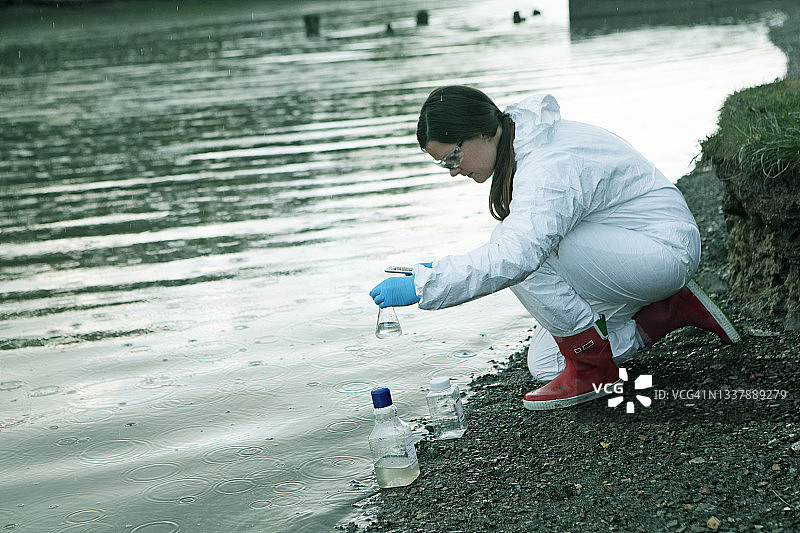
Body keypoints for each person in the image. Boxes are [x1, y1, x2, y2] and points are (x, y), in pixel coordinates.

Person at [369, 86, 740, 410]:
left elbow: (518, 256)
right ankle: (662, 313)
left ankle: (593, 368)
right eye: (442, 164)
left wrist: (425, 284)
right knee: (546, 364)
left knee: (515, 248)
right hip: (623, 253)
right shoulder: (521, 143)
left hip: (660, 249)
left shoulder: (547, 165)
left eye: (452, 157)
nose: (452, 171)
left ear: (481, 133)